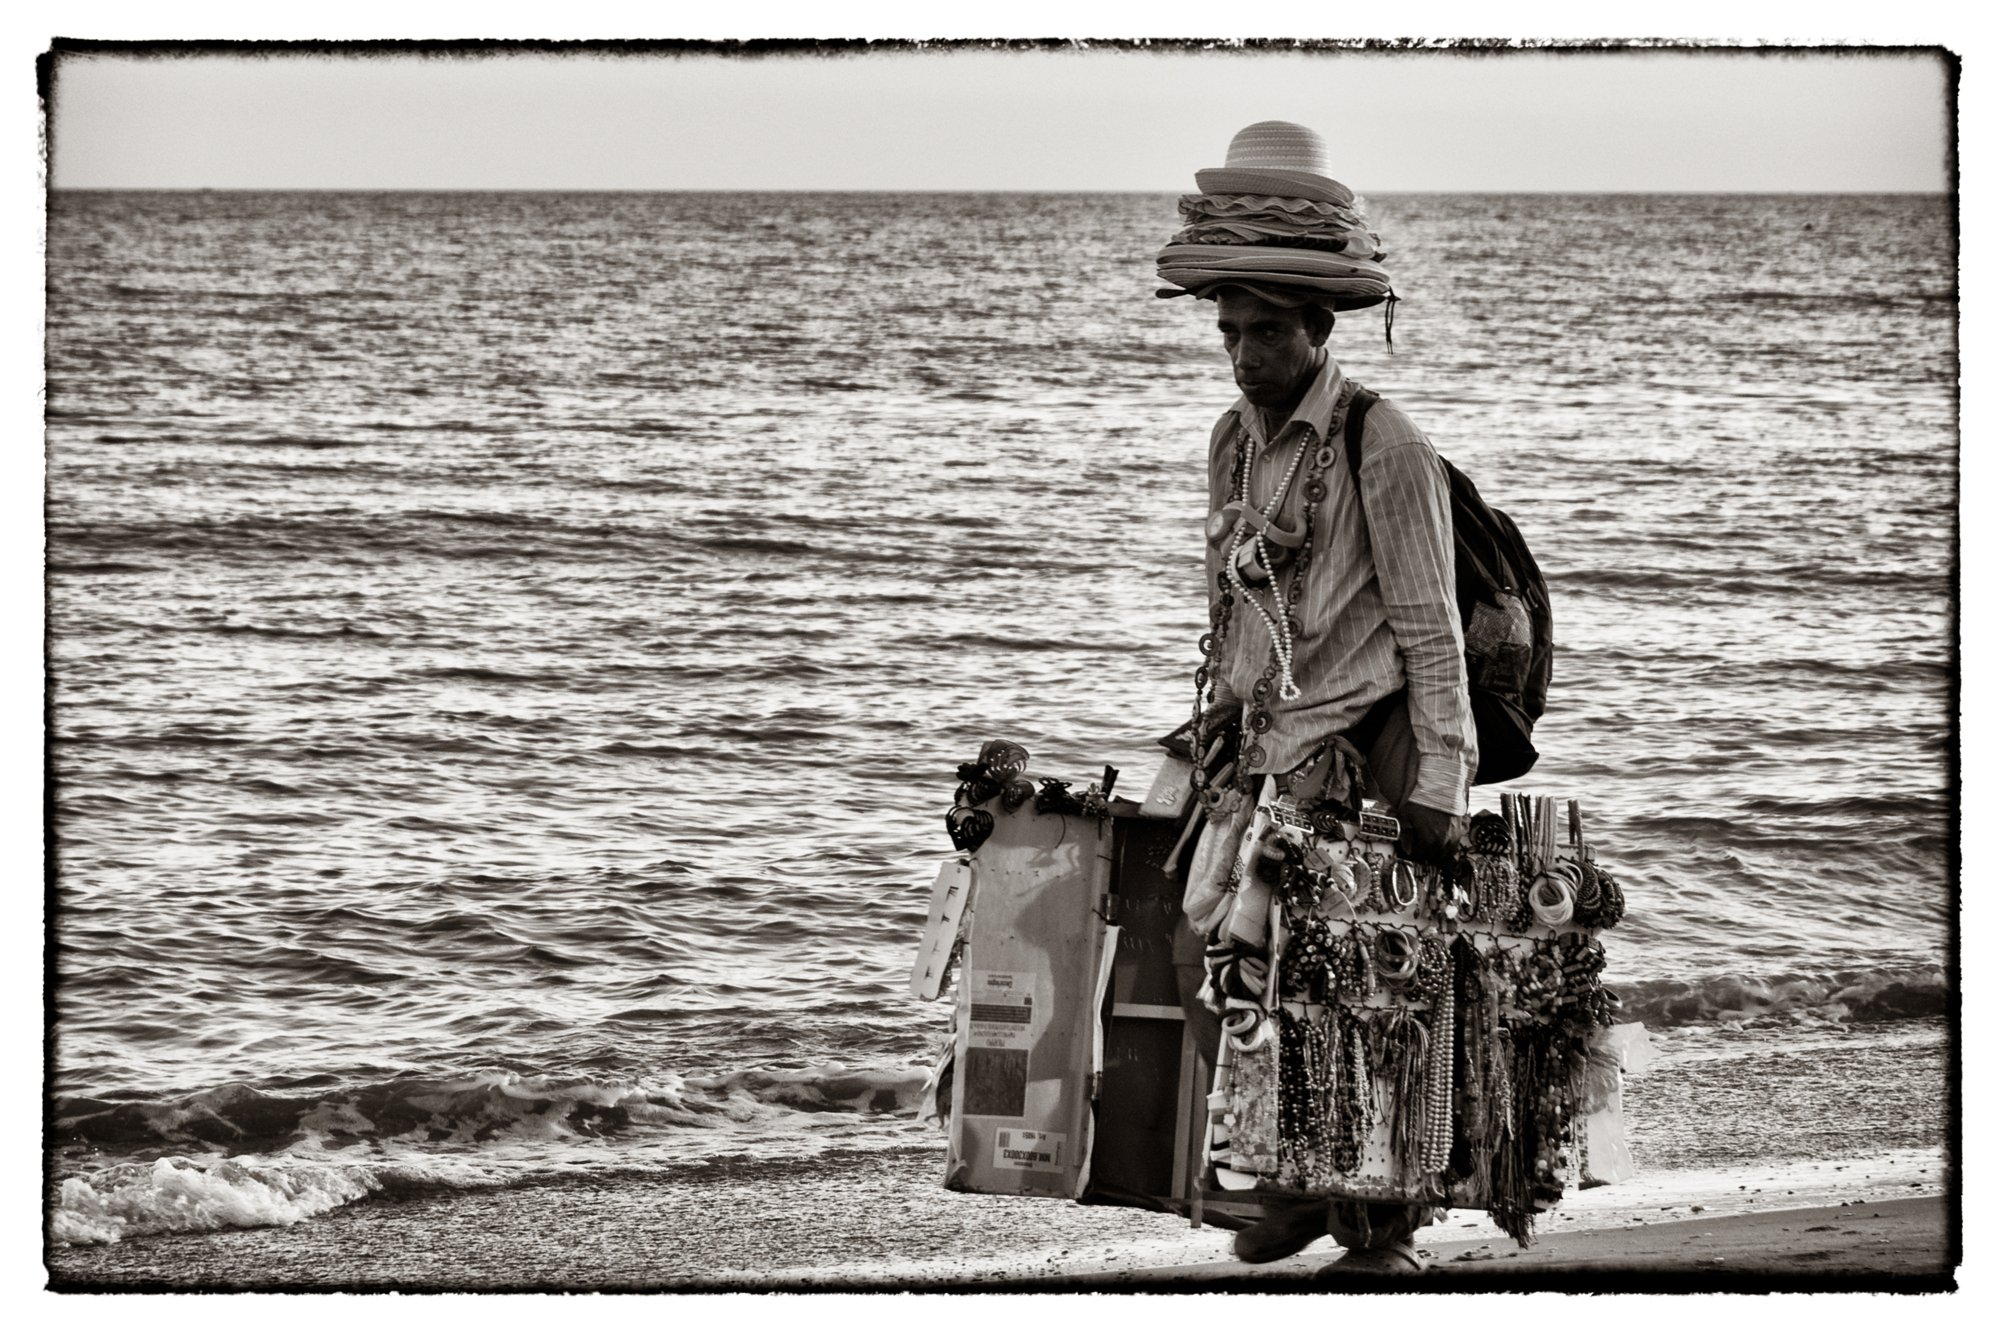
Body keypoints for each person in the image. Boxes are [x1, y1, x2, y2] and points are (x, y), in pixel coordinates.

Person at [1159, 121, 1478, 1276]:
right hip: (1260, 756)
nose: (1241, 355)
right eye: (1228, 331)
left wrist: (1439, 782)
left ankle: (1372, 1231)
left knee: (1358, 1001)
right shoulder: (1228, 448)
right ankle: (1295, 1187)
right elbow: (1229, 610)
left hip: (1355, 767)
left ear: (1319, 327)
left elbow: (1429, 625)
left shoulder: (1379, 442)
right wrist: (1207, 732)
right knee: (1235, 981)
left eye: (1264, 332)